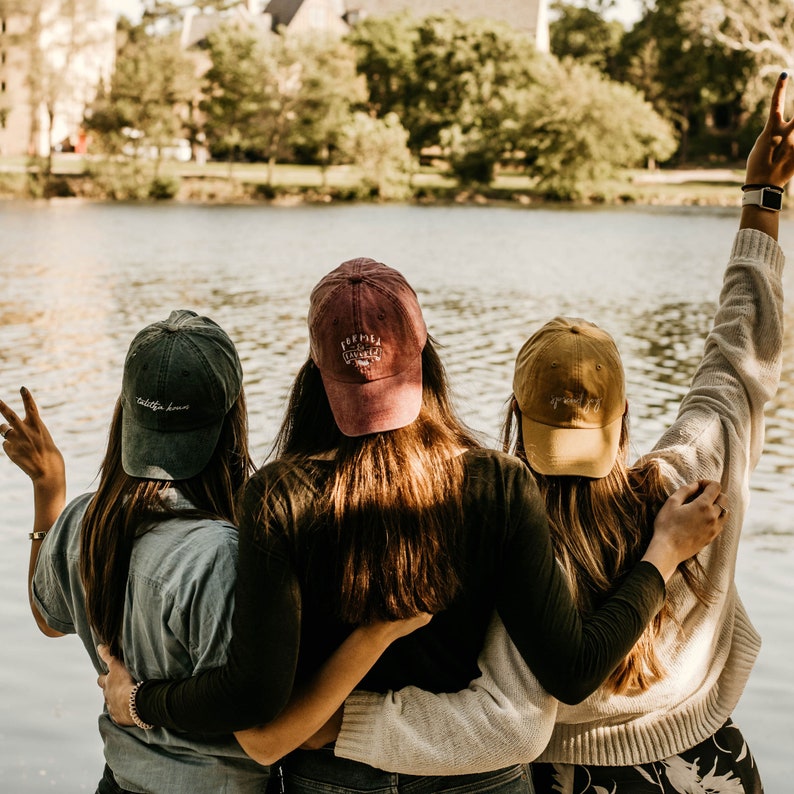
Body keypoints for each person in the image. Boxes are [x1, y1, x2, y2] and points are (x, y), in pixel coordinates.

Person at [292, 72, 794, 794]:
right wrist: (762, 202)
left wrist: (346, 720)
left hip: (568, 782)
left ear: (516, 419)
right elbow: (741, 357)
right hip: (710, 766)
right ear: (623, 419)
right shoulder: (695, 479)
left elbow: (497, 718)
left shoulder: (499, 526)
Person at [99, 256, 725, 792]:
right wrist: (661, 557)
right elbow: (574, 668)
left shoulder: (279, 494)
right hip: (480, 783)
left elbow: (256, 696)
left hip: (333, 778)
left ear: (315, 371)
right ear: (424, 352)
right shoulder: (498, 484)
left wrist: (141, 702)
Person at [0, 309, 428, 794]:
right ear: (231, 421)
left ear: (127, 415)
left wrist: (47, 486)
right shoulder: (224, 555)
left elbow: (47, 616)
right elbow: (265, 733)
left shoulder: (84, 521)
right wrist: (377, 632)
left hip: (119, 782)